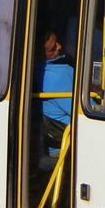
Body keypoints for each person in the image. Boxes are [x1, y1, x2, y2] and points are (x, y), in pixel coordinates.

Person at [36, 25, 75, 154]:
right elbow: (90, 112)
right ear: (40, 57)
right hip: (66, 149)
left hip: (47, 148)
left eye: (57, 42)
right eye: (52, 49)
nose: (59, 46)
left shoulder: (31, 72)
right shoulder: (60, 75)